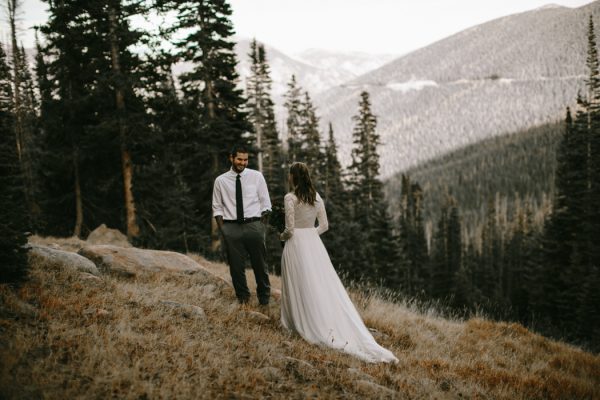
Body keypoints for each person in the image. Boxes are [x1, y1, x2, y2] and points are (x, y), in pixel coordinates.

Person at [279, 162, 398, 363]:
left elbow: (289, 229)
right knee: (318, 284)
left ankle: (295, 322)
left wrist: (282, 236)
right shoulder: (316, 198)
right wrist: (310, 235)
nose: (289, 178)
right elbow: (324, 225)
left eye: (290, 175)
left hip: (295, 244)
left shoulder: (289, 198)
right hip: (314, 245)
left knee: (297, 283)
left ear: (293, 177)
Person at [212, 144, 271, 305]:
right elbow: (217, 207)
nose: (243, 163)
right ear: (231, 158)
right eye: (239, 159)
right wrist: (224, 229)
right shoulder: (220, 181)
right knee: (236, 268)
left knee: (260, 265)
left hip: (254, 225)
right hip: (231, 228)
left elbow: (266, 204)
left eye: (245, 160)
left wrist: (261, 227)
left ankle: (264, 299)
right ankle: (243, 300)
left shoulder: (256, 177)